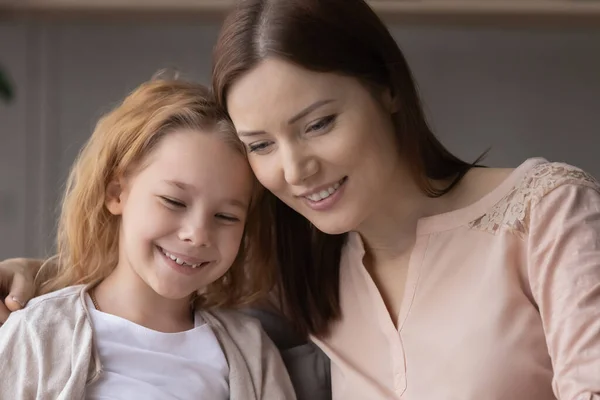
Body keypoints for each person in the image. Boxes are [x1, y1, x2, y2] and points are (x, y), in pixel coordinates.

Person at [2, 0, 600, 399]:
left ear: (387, 88)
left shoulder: (546, 213)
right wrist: (41, 274)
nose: (295, 170)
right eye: (261, 144)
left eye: (318, 124)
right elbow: (170, 281)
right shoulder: (309, 264)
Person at [0, 78, 296, 399]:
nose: (197, 234)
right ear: (116, 194)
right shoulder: (38, 331)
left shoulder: (251, 351)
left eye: (226, 216)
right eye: (174, 201)